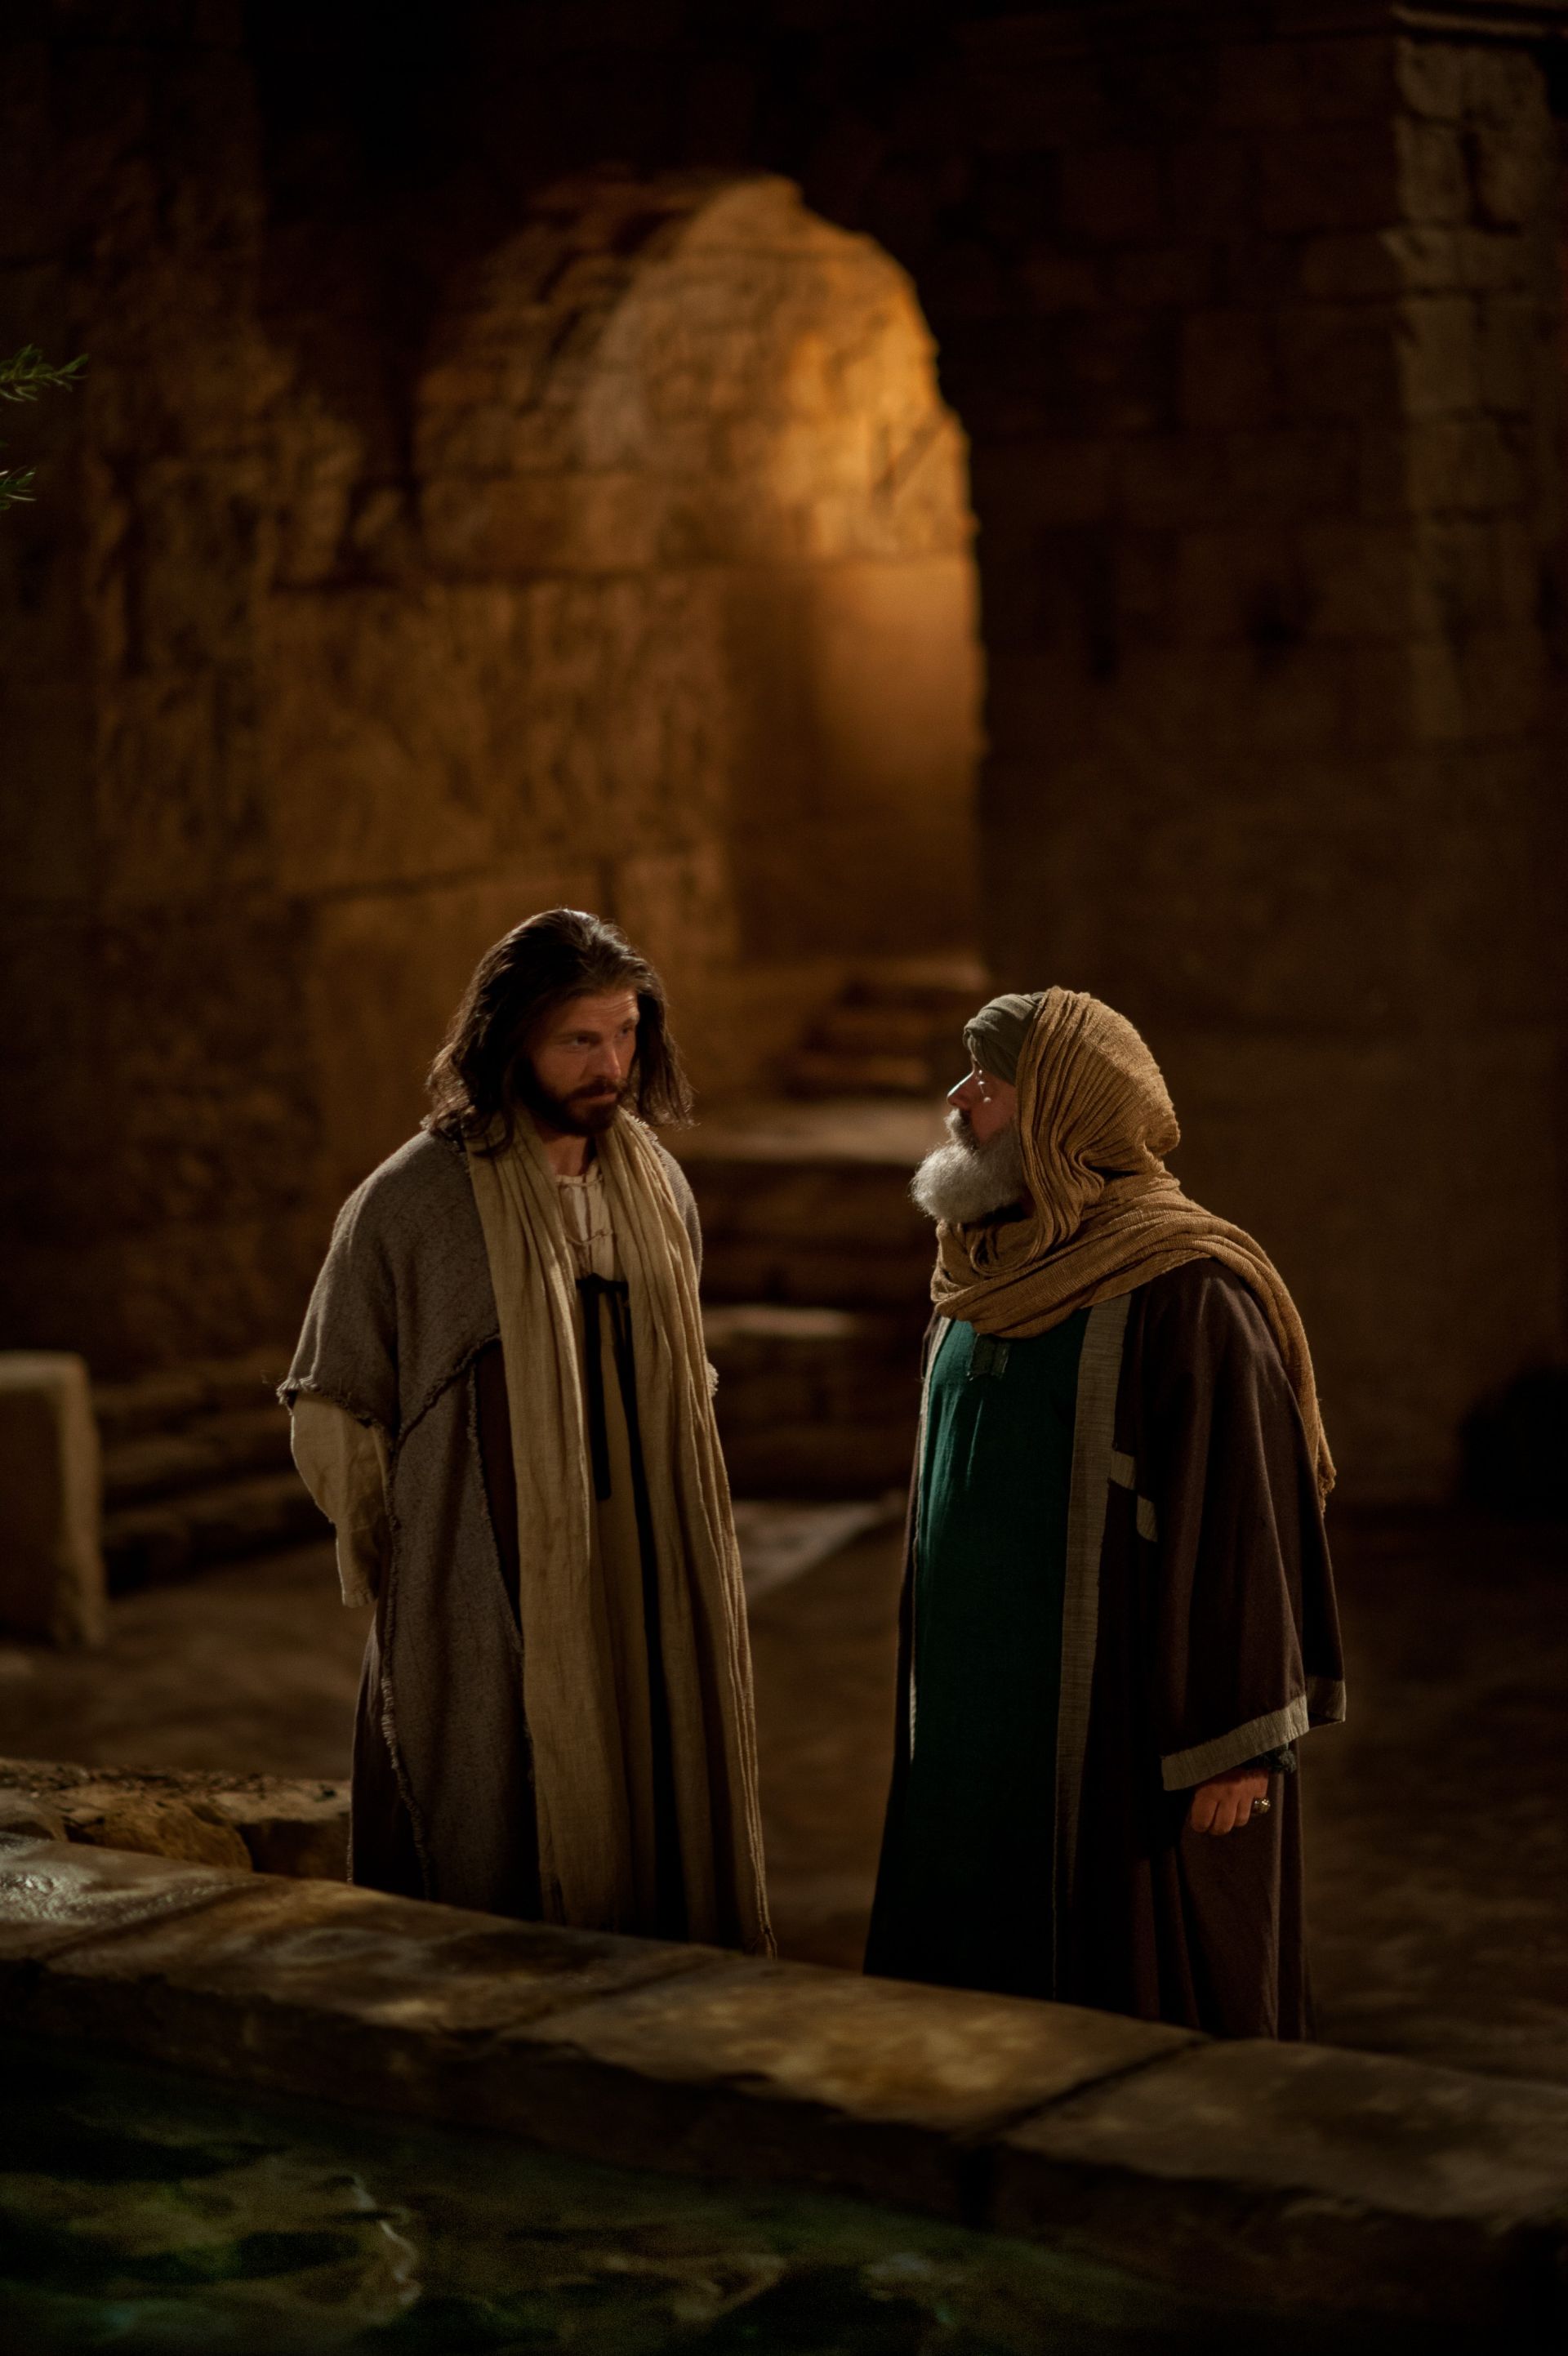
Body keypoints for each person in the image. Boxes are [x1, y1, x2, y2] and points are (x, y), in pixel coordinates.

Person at [283, 909, 772, 1953]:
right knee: (496, 1808)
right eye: (580, 1040)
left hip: (644, 1567)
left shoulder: (653, 1183)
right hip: (488, 1574)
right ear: (512, 1039)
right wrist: (412, 1549)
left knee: (654, 1772)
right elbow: (335, 1405)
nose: (612, 1065)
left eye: (626, 1034)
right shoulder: (414, 1201)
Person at [865, 987, 1343, 2037]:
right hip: (969, 1716)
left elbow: (1244, 1516)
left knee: (1124, 2009)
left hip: (1119, 1738)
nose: (958, 1099)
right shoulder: (980, 1272)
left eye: (988, 1084)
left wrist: (1237, 1740)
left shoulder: (1183, 1288)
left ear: (1059, 1112)